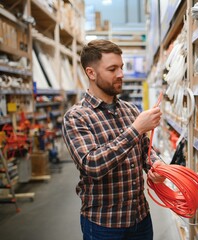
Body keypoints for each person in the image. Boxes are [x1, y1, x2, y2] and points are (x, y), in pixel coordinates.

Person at [62, 39, 165, 240]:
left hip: (140, 218)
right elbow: (92, 165)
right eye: (112, 69)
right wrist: (136, 129)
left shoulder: (130, 110)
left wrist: (156, 165)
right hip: (104, 225)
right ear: (91, 73)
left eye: (121, 67)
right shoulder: (77, 117)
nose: (121, 74)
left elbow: (145, 150)